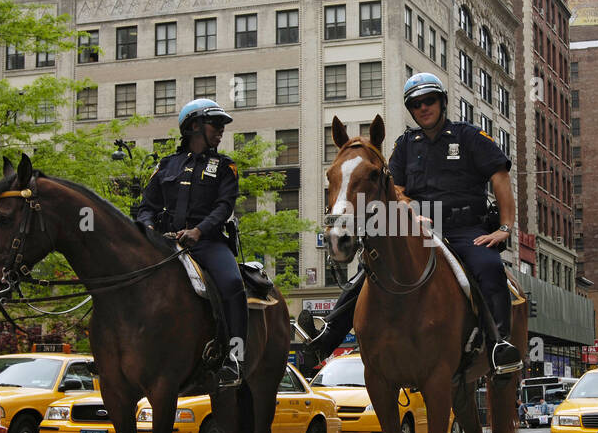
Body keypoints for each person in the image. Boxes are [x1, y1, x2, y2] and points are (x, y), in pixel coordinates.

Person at [295, 72, 521, 374]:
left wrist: (504, 228)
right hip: (423, 227)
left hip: (466, 228)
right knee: (370, 266)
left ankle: (499, 346)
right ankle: (328, 335)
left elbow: (500, 178)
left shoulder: (469, 136)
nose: (423, 108)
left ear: (441, 102)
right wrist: (410, 210)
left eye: (429, 101)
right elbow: (394, 188)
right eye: (415, 104)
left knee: (489, 268)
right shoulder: (404, 145)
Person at [135, 98, 246, 387]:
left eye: (222, 125)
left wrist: (198, 230)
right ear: (194, 126)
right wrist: (146, 227)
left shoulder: (224, 166)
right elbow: (146, 205)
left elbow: (224, 207)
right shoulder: (166, 165)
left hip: (207, 243)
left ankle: (235, 358)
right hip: (165, 244)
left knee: (233, 284)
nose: (221, 130)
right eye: (215, 124)